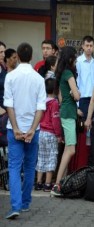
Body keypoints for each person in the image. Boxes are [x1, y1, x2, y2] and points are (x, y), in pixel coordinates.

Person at [4, 42, 46, 219]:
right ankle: (26, 202)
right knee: (29, 166)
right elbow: (41, 107)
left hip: (14, 129)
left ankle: (15, 206)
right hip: (32, 129)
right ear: (31, 56)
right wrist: (32, 129)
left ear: (18, 57)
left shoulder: (11, 76)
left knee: (14, 166)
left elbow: (9, 105)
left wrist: (15, 128)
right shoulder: (39, 79)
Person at [51, 46, 80, 196]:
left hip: (66, 112)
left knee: (67, 149)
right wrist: (76, 93)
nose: (75, 59)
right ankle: (57, 185)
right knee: (70, 149)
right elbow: (77, 96)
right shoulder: (68, 73)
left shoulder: (60, 73)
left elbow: (61, 98)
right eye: (74, 57)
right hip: (69, 113)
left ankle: (60, 182)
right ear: (70, 58)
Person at [35, 78, 62, 192]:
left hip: (41, 132)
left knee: (41, 156)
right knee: (51, 157)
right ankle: (47, 183)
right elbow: (55, 120)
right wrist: (59, 134)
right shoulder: (54, 103)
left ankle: (38, 182)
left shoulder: (41, 101)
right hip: (51, 133)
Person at [76, 35, 94, 120]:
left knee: (93, 126)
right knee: (84, 126)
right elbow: (76, 82)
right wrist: (77, 105)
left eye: (91, 46)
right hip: (83, 98)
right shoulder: (78, 61)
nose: (89, 48)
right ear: (83, 46)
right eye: (87, 46)